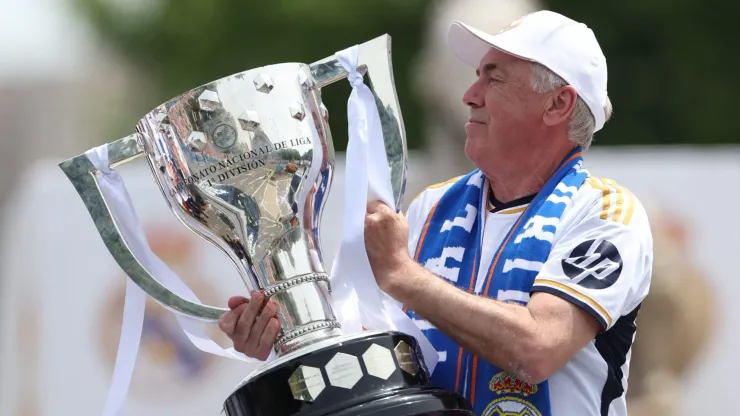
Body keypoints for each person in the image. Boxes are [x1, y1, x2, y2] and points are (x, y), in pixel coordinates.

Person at [218, 10, 653, 416]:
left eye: (494, 79)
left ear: (558, 105)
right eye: (475, 76)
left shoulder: (604, 213)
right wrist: (285, 335)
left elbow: (538, 347)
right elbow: (361, 343)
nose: (469, 95)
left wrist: (403, 276)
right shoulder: (431, 207)